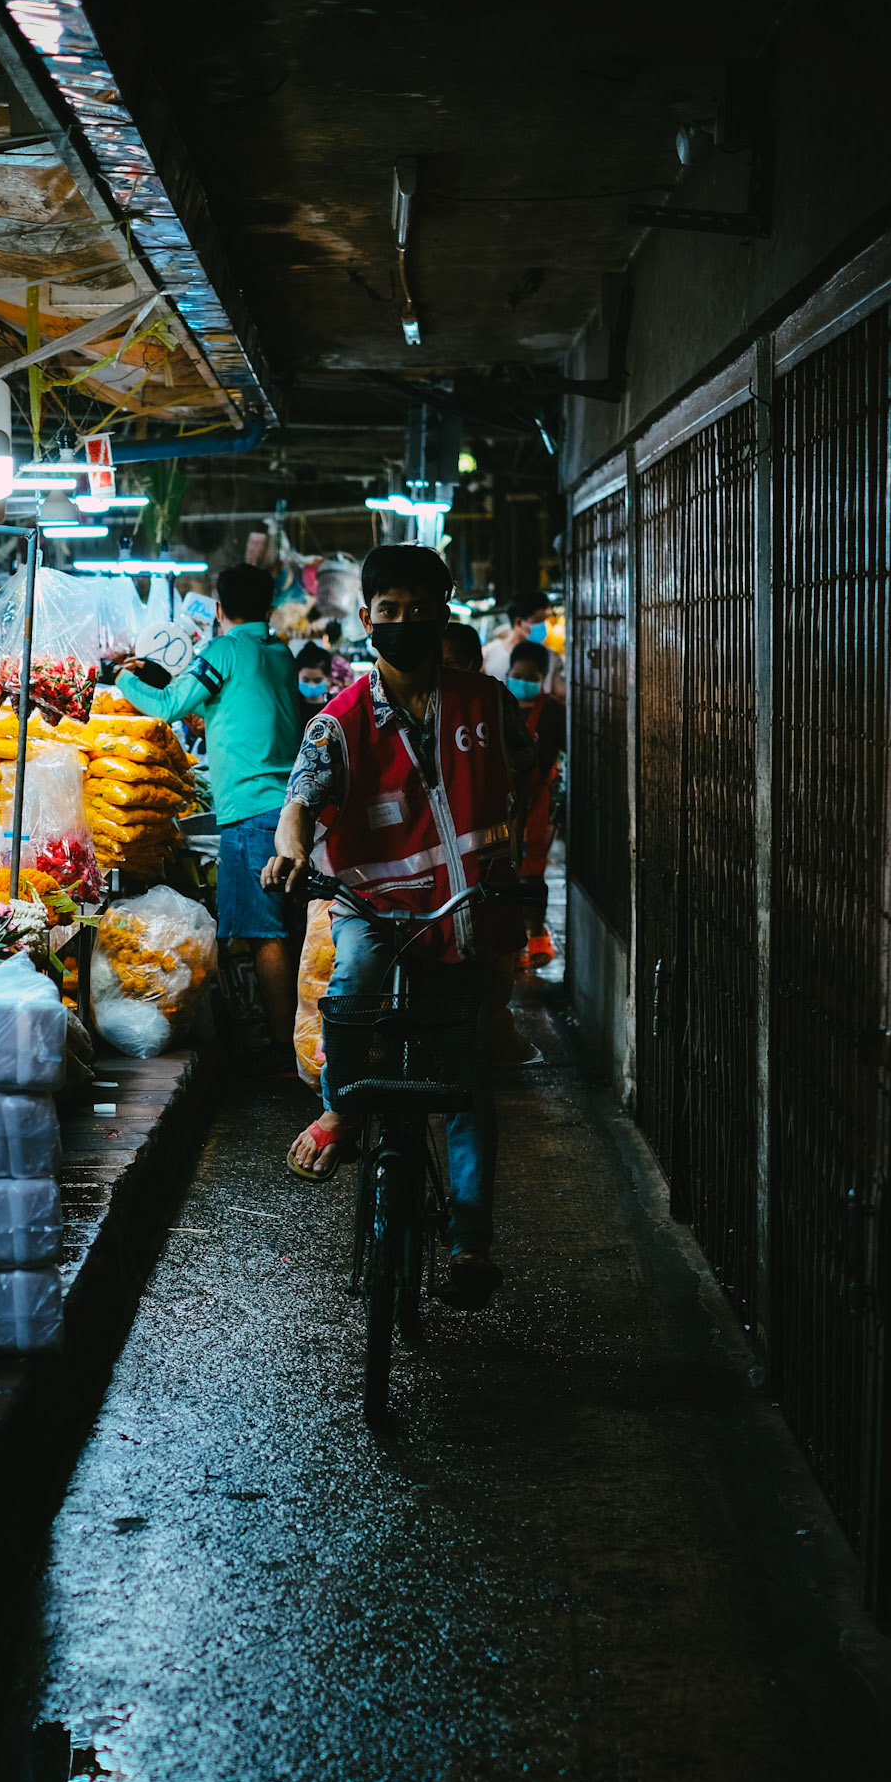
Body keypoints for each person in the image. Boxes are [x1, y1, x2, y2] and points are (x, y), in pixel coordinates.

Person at [262, 543, 535, 1308]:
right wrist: (287, 857)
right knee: (348, 989)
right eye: (391, 612)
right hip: (373, 910)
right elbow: (297, 809)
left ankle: (469, 1242)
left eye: (421, 610)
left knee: (464, 1078)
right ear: (366, 619)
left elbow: (522, 772)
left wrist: (515, 845)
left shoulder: (485, 702)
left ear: (442, 613)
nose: (406, 623)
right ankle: (341, 1107)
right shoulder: (338, 722)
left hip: (463, 916)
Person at [114, 563, 302, 1061]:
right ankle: (295, 1039)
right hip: (288, 807)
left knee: (265, 931)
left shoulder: (224, 649)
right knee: (285, 925)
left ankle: (284, 1048)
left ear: (219, 610)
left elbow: (170, 704)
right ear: (269, 608)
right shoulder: (279, 652)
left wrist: (122, 681)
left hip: (250, 808)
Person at [507, 639, 566, 965]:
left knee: (533, 872)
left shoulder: (555, 711)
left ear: (541, 676)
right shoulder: (499, 702)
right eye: (518, 673)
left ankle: (536, 934)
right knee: (504, 872)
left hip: (539, 802)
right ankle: (512, 941)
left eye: (531, 675)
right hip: (504, 801)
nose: (523, 680)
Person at [482, 593, 550, 681]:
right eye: (537, 620)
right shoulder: (489, 653)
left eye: (543, 620)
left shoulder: (548, 657)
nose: (543, 625)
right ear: (518, 622)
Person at [293, 642, 334, 722]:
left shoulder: (334, 710)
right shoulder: (291, 711)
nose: (311, 685)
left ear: (328, 680)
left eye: (317, 680)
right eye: (306, 680)